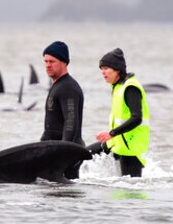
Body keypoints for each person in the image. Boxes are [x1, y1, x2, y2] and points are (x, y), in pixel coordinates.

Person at [89, 48, 150, 177]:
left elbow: (137, 118)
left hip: (131, 148)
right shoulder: (117, 86)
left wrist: (111, 133)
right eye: (101, 69)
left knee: (129, 191)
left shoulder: (130, 87)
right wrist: (112, 136)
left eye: (106, 68)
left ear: (117, 69)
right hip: (116, 142)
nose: (103, 72)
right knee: (83, 154)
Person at [41, 41, 85, 179]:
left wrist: (63, 153)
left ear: (64, 62)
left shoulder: (68, 88)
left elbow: (71, 122)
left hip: (67, 154)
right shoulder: (58, 85)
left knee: (65, 196)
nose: (48, 65)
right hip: (57, 151)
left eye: (52, 61)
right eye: (46, 61)